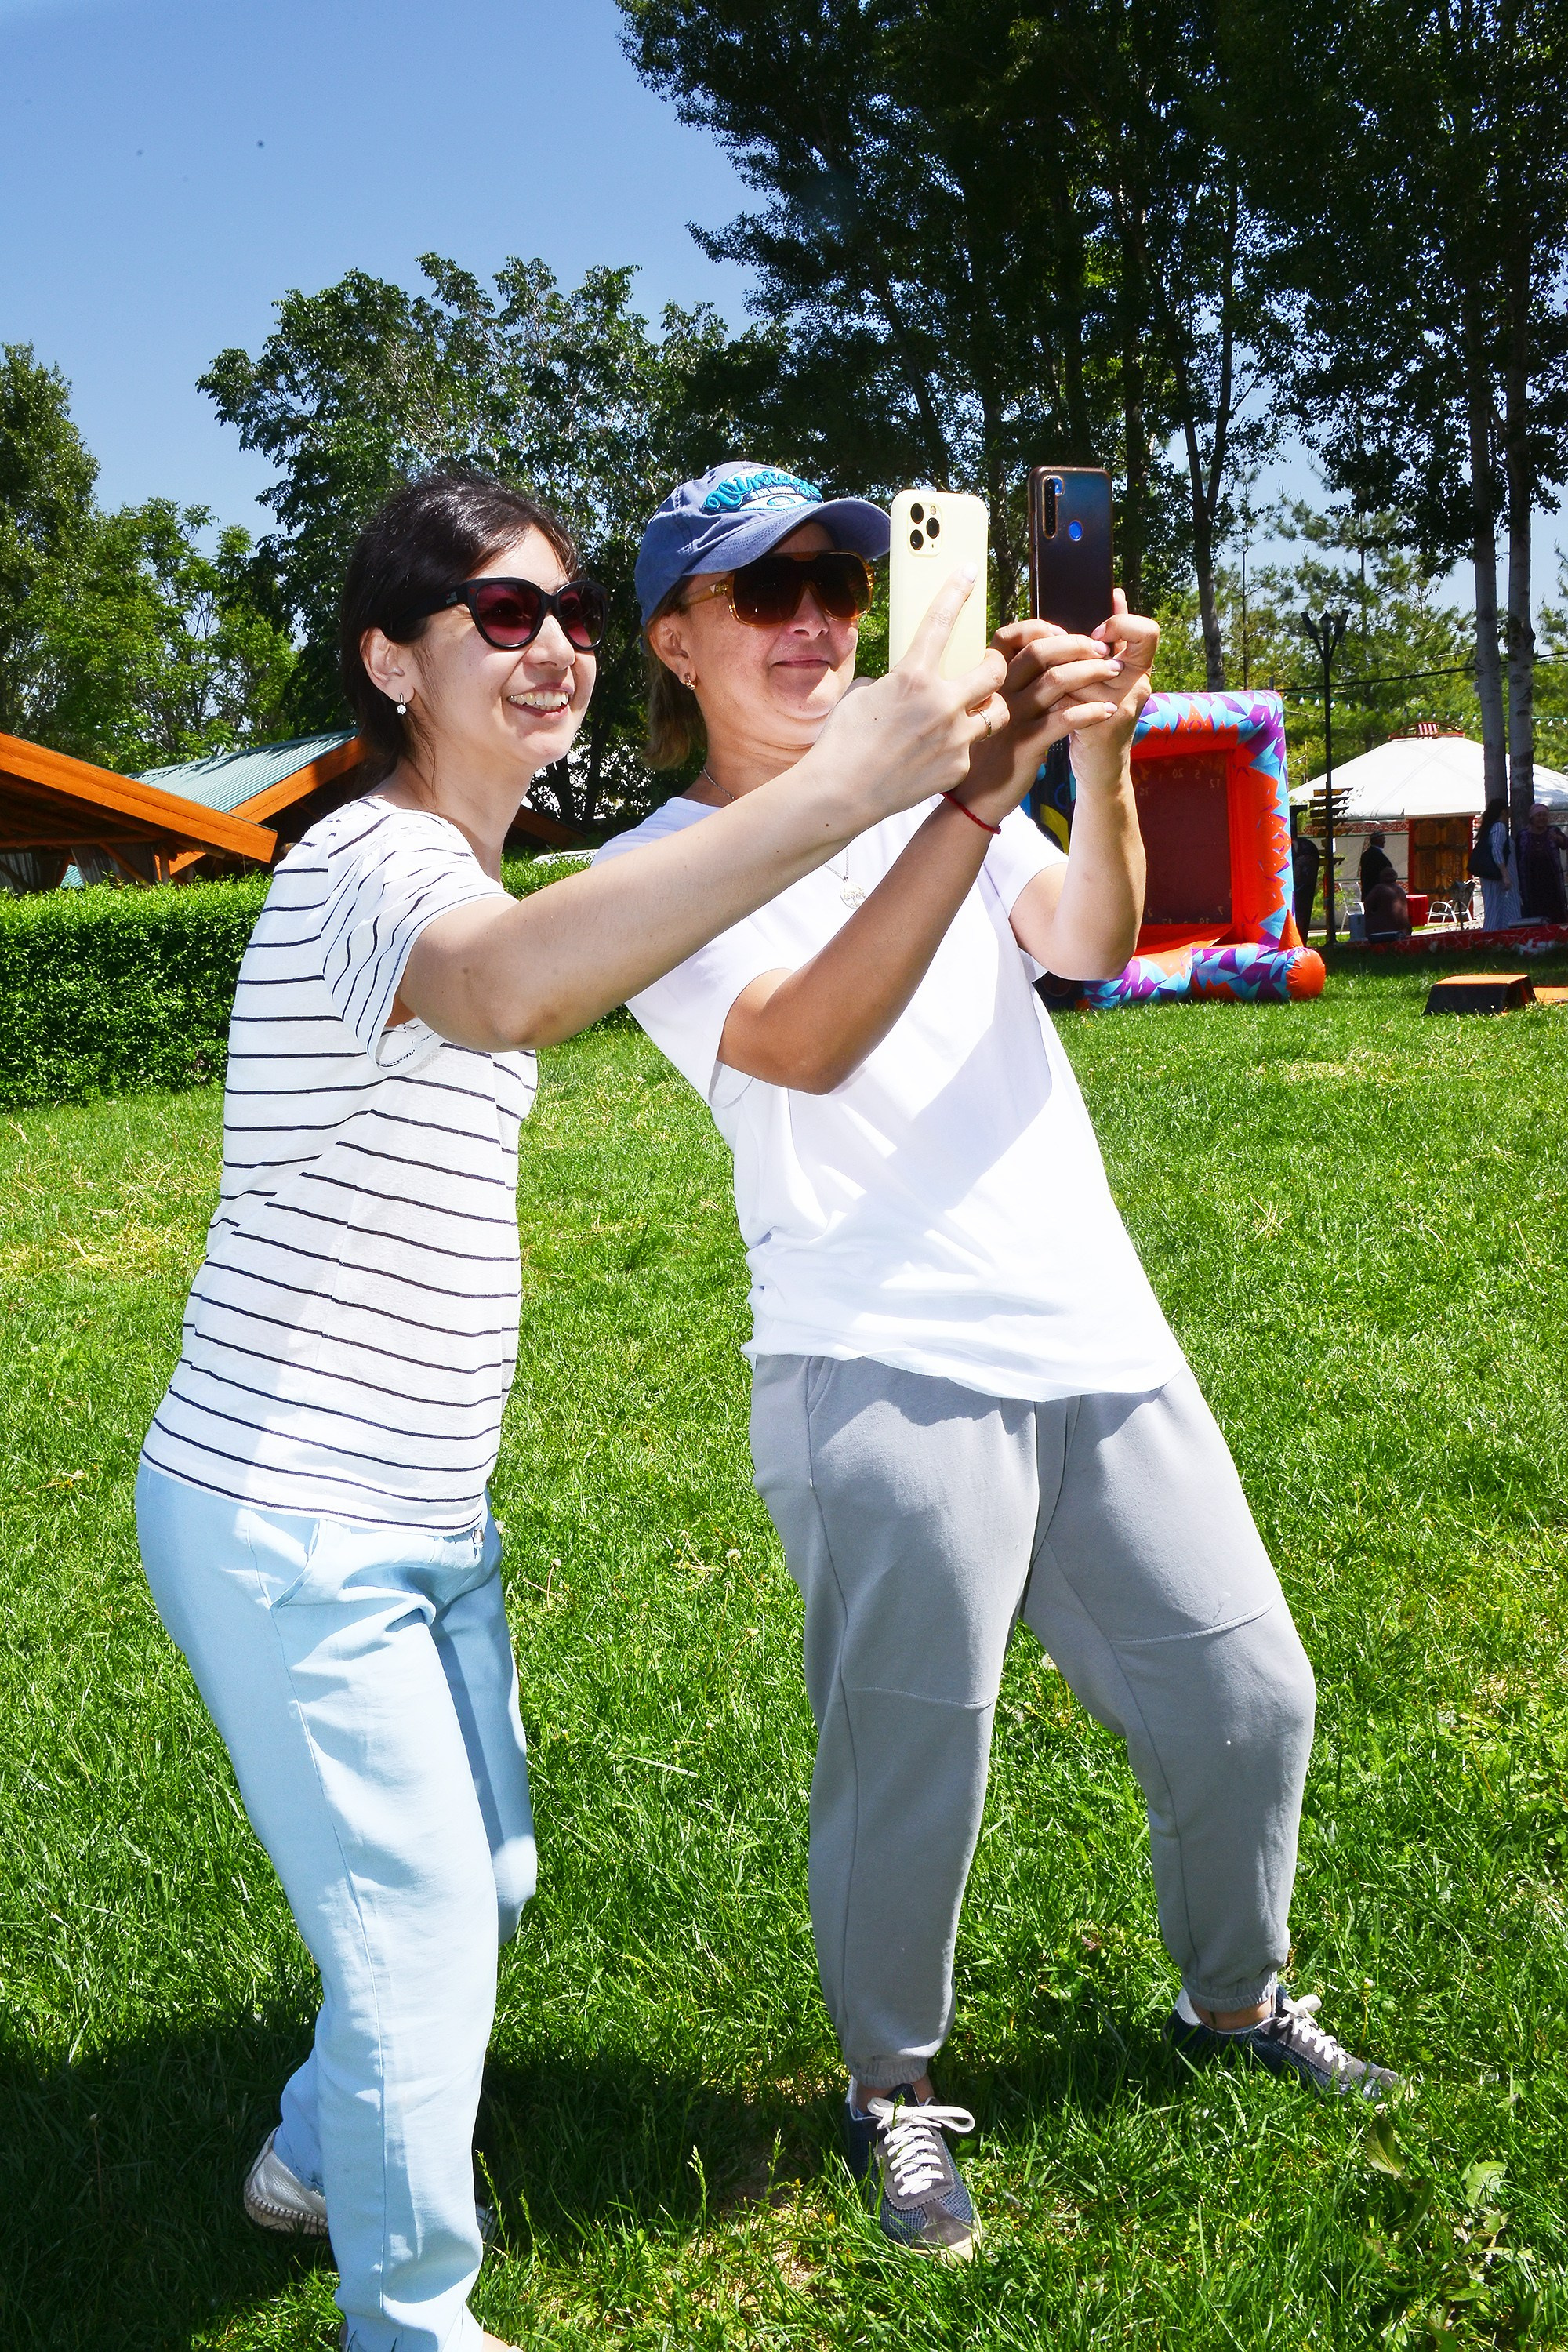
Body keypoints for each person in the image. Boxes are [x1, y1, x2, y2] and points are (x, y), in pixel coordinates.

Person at [133, 466, 1011, 2352]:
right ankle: (412, 2319)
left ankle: (313, 2153)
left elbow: (580, 950)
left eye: (572, 612)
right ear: (393, 660)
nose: (553, 646)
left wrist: (922, 800)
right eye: (501, 614)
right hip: (289, 1510)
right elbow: (513, 992)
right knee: (420, 1930)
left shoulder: (460, 868)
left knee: (488, 1882)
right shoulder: (368, 866)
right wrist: (842, 784)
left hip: (418, 1512)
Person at [599, 462, 1397, 2266]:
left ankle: (1230, 1999)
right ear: (675, 641)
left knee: (1249, 1700)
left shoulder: (938, 799)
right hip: (874, 1357)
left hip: (1092, 1325)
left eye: (837, 582)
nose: (817, 618)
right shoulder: (650, 869)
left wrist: (1090, 760)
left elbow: (1090, 942)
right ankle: (891, 2084)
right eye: (764, 590)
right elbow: (801, 1042)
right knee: (914, 1764)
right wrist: (965, 800)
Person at [1472, 795, 1520, 931]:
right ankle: (1493, 936)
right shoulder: (1499, 827)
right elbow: (1497, 851)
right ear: (1504, 811)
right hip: (1498, 878)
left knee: (1498, 908)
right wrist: (1505, 875)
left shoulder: (1490, 828)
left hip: (1496, 878)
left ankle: (1499, 936)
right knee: (1496, 909)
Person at [1518, 801, 1568, 924]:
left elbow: (1565, 844)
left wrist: (1558, 839)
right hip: (1531, 883)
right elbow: (1517, 857)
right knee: (1535, 916)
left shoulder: (1553, 831)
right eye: (1538, 815)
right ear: (1532, 818)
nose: (1542, 818)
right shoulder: (1523, 836)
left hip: (1552, 882)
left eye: (1544, 815)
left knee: (1556, 915)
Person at [1363, 869, 1411, 940]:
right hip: (1404, 930)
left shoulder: (1379, 888)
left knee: (1366, 921)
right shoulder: (1401, 890)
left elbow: (1367, 905)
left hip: (1385, 930)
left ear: (1381, 877)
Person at [1358, 829, 1395, 895]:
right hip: (1378, 893)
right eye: (1382, 839)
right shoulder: (1376, 855)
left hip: (1369, 892)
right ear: (1376, 840)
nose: (1384, 842)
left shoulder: (1367, 854)